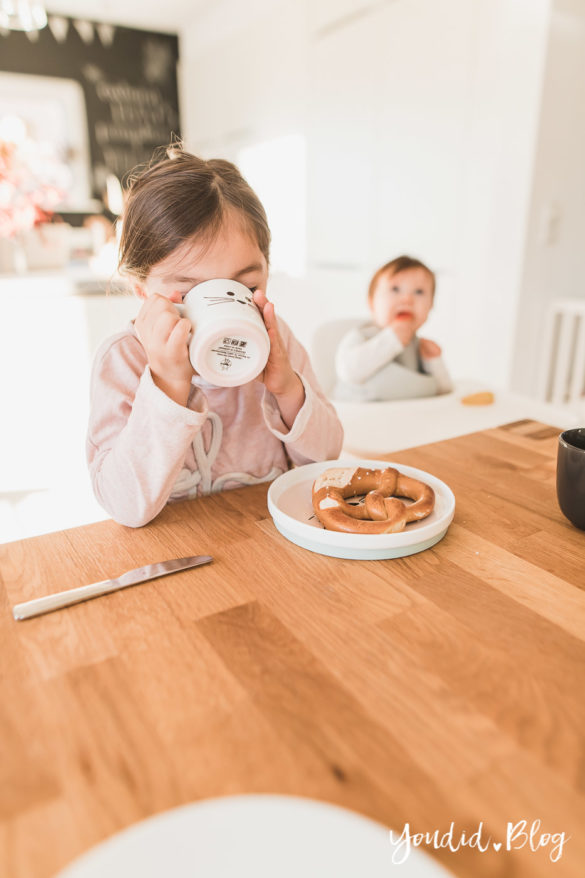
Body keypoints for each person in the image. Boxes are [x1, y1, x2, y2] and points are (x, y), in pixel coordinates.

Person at [87, 147, 343, 527]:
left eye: (246, 285)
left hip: (267, 543)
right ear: (141, 288)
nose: (223, 309)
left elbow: (325, 460)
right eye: (191, 292)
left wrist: (288, 388)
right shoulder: (124, 360)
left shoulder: (276, 341)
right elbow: (125, 507)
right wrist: (168, 384)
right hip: (177, 556)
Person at [333, 255, 452, 402]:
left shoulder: (418, 347)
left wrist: (434, 361)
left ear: (431, 306)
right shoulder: (361, 336)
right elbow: (349, 372)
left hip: (406, 417)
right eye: (395, 289)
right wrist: (391, 340)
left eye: (419, 292)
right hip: (363, 417)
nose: (407, 299)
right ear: (371, 303)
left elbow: (444, 392)